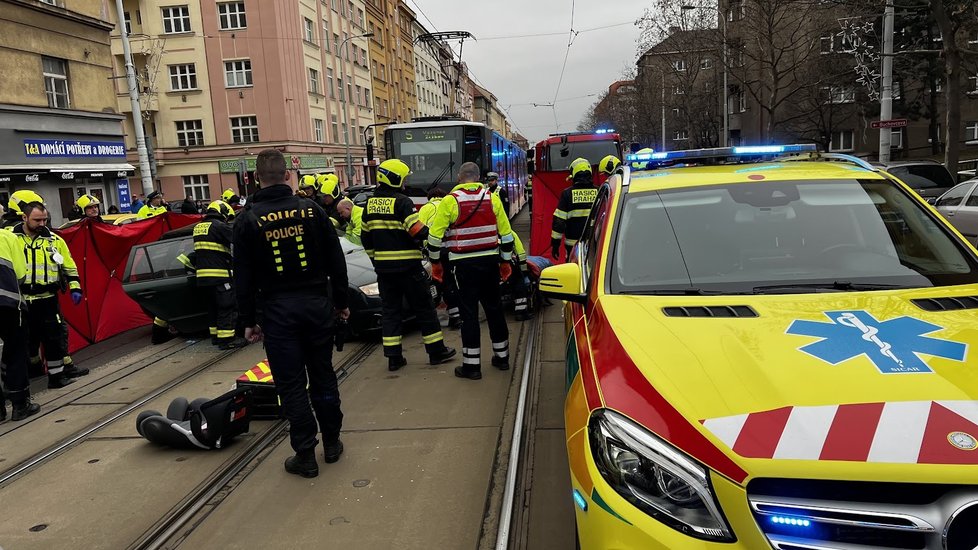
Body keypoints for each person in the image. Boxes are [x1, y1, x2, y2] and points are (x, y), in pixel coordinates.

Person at [233, 149, 350, 478]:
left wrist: (248, 321)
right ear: (287, 175)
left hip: (278, 311)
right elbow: (336, 263)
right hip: (316, 307)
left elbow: (241, 277)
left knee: (291, 384)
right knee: (323, 375)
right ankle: (332, 442)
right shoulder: (312, 211)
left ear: (257, 178)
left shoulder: (247, 220)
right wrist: (341, 303)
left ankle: (305, 453)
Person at [361, 159, 456, 371]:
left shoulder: (369, 204)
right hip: (409, 268)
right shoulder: (402, 201)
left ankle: (394, 358)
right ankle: (436, 352)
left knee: (391, 312)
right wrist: (433, 238)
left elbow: (365, 238)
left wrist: (376, 261)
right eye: (403, 178)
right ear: (394, 179)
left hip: (384, 271)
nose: (405, 183)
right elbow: (416, 231)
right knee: (424, 308)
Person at [427, 162, 514, 380]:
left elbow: (434, 238)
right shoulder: (491, 198)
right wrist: (505, 263)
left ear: (459, 177)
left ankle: (472, 367)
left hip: (463, 267)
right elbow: (506, 235)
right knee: (494, 310)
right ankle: (502, 359)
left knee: (469, 315)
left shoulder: (450, 201)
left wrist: (436, 265)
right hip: (490, 264)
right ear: (478, 177)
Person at [12, 201, 88, 388]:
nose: (42, 224)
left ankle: (57, 377)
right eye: (37, 220)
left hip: (48, 299)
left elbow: (69, 266)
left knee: (54, 339)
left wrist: (75, 288)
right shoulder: (11, 239)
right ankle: (33, 369)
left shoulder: (54, 240)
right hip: (22, 301)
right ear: (24, 218)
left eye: (44, 219)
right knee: (26, 340)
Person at [191, 201, 246, 350]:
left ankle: (215, 337)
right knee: (227, 306)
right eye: (227, 217)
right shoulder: (219, 226)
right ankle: (227, 340)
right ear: (222, 212)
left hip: (203, 278)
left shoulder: (198, 227)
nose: (227, 220)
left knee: (213, 307)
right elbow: (239, 241)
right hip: (220, 274)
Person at [0, 228, 40, 421]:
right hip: (8, 304)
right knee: (16, 351)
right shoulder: (7, 237)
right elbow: (21, 274)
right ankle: (20, 404)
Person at [418, 188, 461, 330]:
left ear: (430, 197)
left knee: (435, 281)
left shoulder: (425, 208)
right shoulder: (449, 205)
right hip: (450, 249)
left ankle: (432, 316)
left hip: (432, 251)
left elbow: (418, 230)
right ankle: (456, 316)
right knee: (450, 280)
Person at [551, 157, 597, 261]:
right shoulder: (600, 192)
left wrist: (555, 245)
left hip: (573, 246)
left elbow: (559, 222)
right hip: (595, 243)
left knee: (573, 272)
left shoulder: (567, 194)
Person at [510, 232, 533, 321]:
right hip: (507, 266)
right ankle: (521, 312)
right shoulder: (509, 233)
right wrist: (524, 271)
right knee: (519, 284)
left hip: (488, 267)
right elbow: (521, 254)